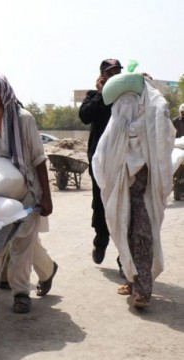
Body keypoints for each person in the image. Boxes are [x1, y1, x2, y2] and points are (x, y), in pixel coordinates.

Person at [0, 72, 58, 313]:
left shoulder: (24, 119)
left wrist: (46, 195)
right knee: (17, 238)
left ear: (2, 93)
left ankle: (21, 293)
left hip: (28, 188)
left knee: (22, 241)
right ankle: (48, 269)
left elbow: (38, 158)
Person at [92, 75, 175, 308]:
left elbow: (164, 139)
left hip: (144, 191)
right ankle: (132, 279)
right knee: (124, 233)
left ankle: (142, 290)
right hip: (120, 190)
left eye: (132, 102)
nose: (126, 108)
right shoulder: (116, 124)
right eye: (123, 103)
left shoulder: (152, 123)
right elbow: (102, 156)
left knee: (143, 235)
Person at [79, 59, 123, 265]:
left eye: (117, 72)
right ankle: (101, 239)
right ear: (102, 76)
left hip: (123, 163)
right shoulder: (93, 96)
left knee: (125, 209)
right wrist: (101, 93)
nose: (113, 76)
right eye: (110, 73)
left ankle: (125, 257)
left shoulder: (126, 97)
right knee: (100, 205)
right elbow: (85, 116)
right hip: (100, 163)